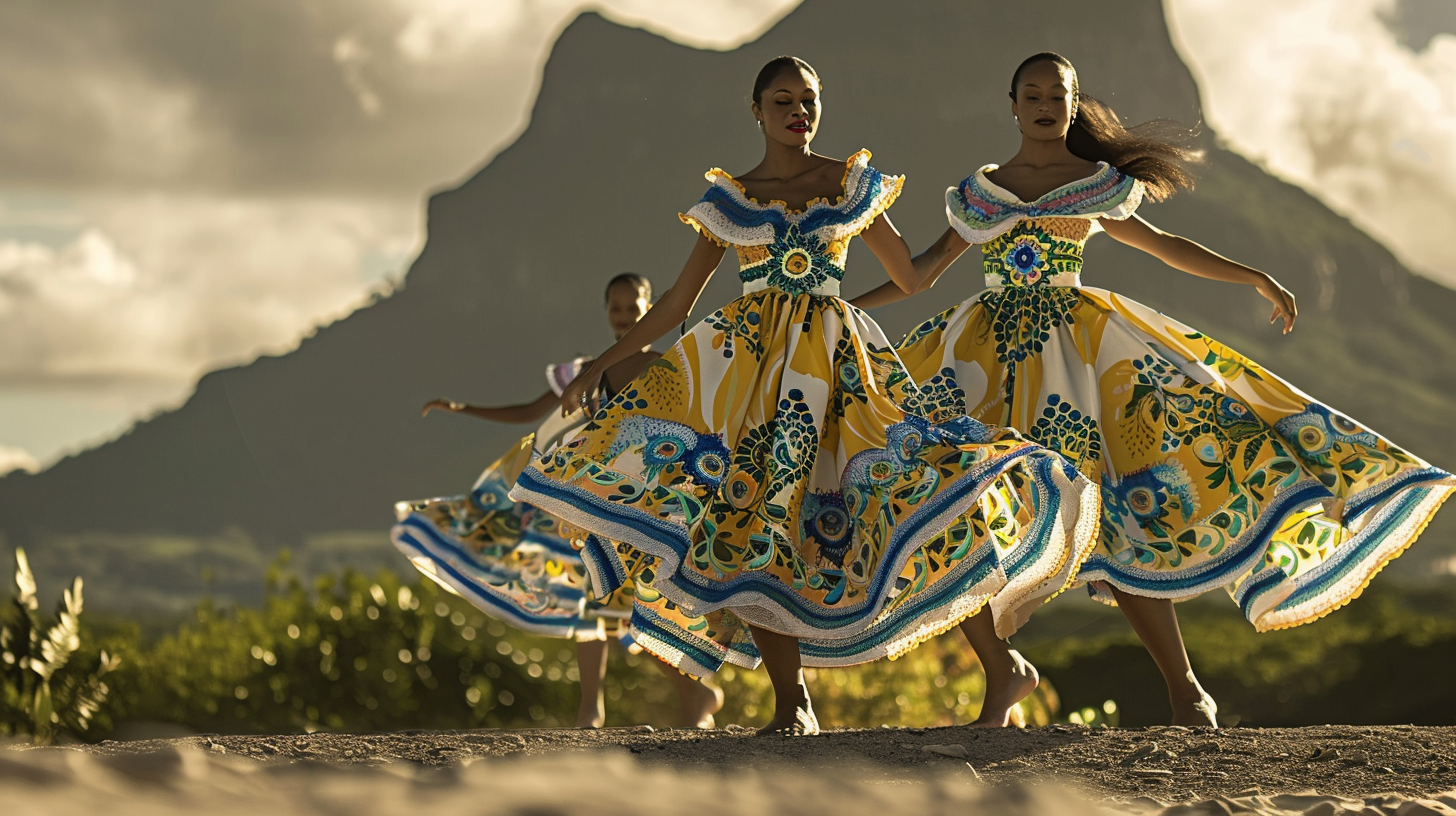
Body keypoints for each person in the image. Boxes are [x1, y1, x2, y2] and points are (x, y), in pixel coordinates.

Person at [853, 52, 1455, 726]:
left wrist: (1252, 276)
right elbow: (925, 272)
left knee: (1117, 519)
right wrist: (842, 308)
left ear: (1072, 104)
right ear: (1012, 104)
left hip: (1077, 360)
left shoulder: (1092, 183)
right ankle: (1004, 672)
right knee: (947, 505)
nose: (1046, 102)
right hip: (981, 359)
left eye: (1059, 92)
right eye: (1033, 92)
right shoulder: (980, 191)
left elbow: (1165, 247)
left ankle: (1184, 687)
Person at [510, 56, 1100, 735]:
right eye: (783, 99)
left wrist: (986, 215)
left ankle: (1002, 668)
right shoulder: (729, 200)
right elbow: (675, 303)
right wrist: (600, 366)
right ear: (756, 110)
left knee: (913, 491)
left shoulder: (849, 185)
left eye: (810, 99)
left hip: (841, 370)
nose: (799, 111)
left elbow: (912, 277)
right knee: (756, 519)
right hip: (752, 382)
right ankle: (792, 702)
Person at [392, 274, 724, 729]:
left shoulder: (669, 366)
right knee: (591, 600)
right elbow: (531, 413)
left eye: (634, 308)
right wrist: (464, 408)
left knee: (632, 610)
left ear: (652, 309)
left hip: (643, 504)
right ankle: (594, 709)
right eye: (617, 308)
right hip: (591, 499)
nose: (625, 316)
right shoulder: (587, 371)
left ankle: (694, 691)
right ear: (606, 312)